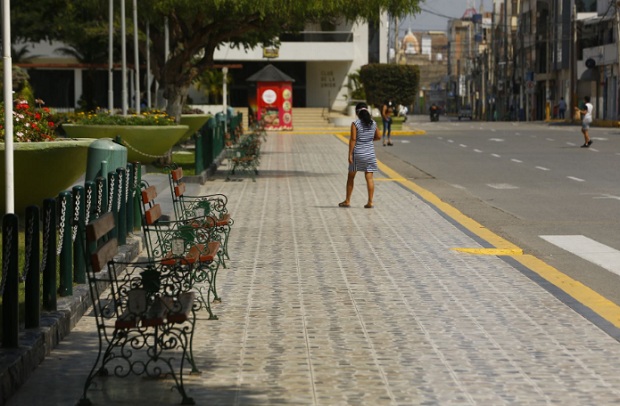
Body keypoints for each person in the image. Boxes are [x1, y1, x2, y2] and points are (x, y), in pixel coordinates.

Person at [339, 102, 381, 209]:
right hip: (370, 153)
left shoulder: (355, 124)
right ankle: (370, 202)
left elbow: (353, 139)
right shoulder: (373, 123)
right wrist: (369, 139)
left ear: (357, 112)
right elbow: (379, 136)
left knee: (351, 177)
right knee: (369, 178)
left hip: (358, 153)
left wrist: (350, 154)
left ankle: (347, 200)